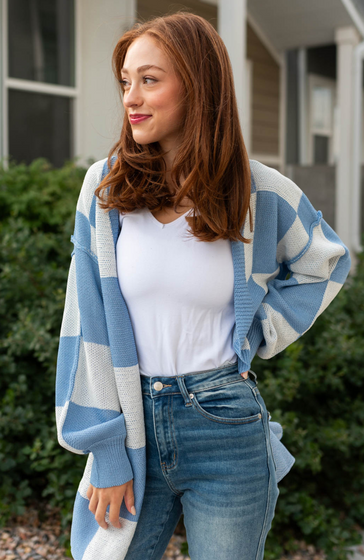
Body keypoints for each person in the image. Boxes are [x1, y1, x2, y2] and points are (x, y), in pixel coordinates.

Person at [55, 12, 351, 560]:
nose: (131, 97)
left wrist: (258, 333)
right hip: (132, 423)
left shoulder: (256, 191)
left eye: (149, 79)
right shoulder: (105, 188)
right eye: (125, 82)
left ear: (197, 84)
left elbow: (326, 262)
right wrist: (106, 452)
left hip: (225, 422)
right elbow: (86, 325)